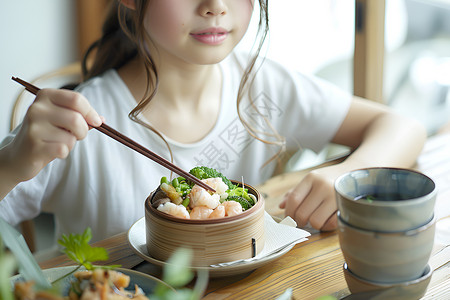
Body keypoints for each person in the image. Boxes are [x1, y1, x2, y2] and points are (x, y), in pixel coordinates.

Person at [0, 0, 426, 245]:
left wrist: (347, 174)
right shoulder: (80, 121)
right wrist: (13, 162)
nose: (215, 5)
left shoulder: (261, 83)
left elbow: (403, 127)